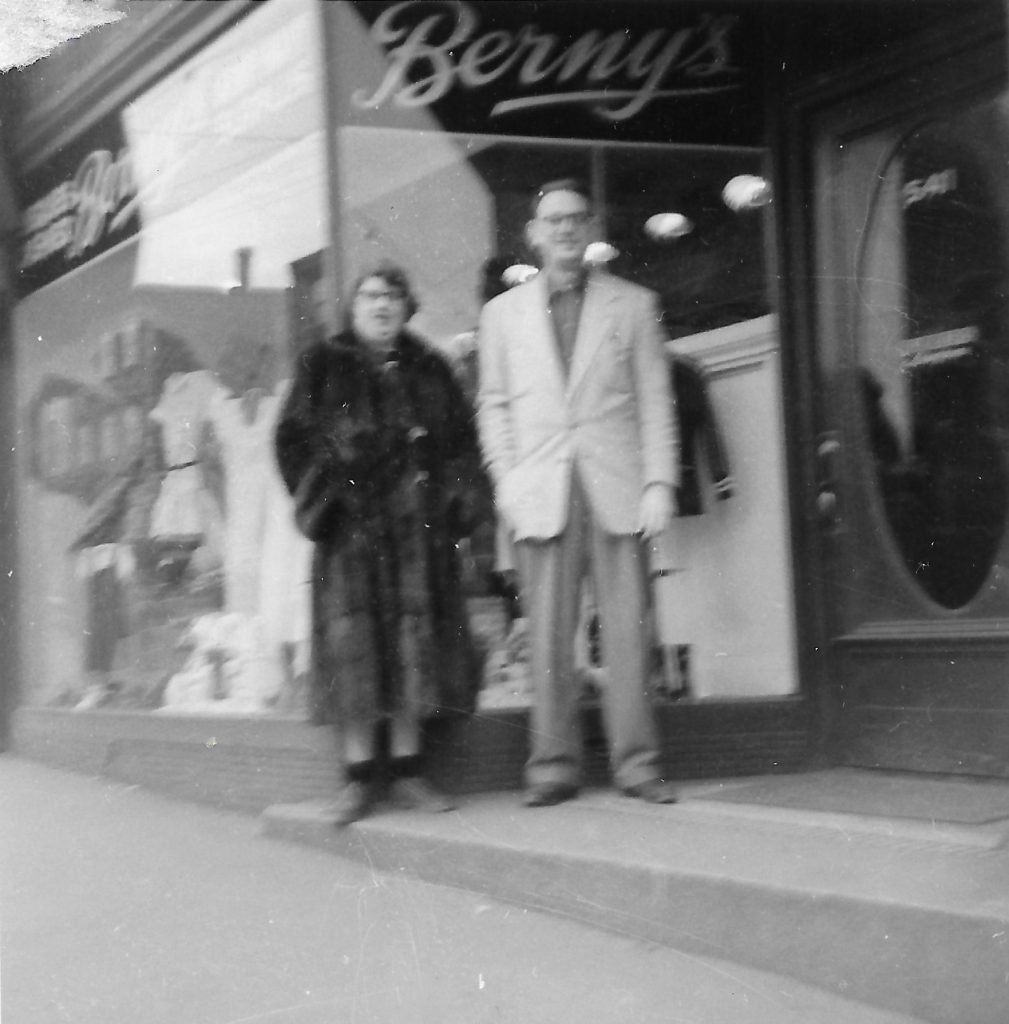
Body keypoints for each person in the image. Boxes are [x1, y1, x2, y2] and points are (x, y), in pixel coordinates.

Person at [477, 179, 680, 807]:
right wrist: (505, 479)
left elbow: (655, 399)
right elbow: (493, 405)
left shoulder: (634, 304)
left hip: (616, 486)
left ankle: (637, 764)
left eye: (575, 218)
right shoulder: (500, 315)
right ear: (534, 235)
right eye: (552, 221)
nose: (565, 229)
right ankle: (553, 766)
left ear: (591, 228)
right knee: (547, 636)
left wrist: (660, 482)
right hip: (540, 488)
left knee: (627, 632)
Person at [275, 260, 491, 825]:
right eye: (371, 296)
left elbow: (463, 447)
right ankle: (356, 780)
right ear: (353, 305)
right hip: (350, 534)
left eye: (393, 297)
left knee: (412, 645)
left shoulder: (431, 368)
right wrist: (330, 494)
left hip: (418, 533)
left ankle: (408, 772)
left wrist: (451, 503)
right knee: (357, 650)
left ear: (406, 306)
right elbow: (291, 440)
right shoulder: (322, 365)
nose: (382, 306)